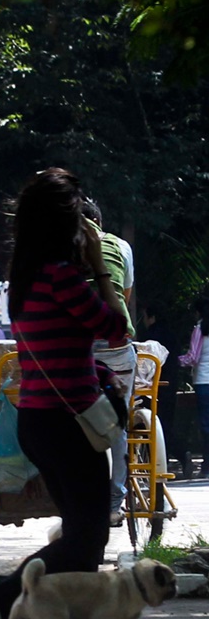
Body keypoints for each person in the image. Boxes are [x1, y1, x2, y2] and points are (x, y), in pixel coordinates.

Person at [0, 168, 132, 619]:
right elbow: (116, 329)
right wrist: (100, 269)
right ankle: (0, 591)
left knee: (81, 530)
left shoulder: (24, 279)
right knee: (89, 536)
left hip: (40, 419)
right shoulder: (62, 277)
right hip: (70, 423)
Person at [81, 197, 137, 525]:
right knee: (119, 425)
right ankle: (116, 498)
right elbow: (123, 298)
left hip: (80, 350)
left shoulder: (66, 252)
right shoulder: (122, 248)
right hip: (117, 349)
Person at [141, 303, 184, 477]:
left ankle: (158, 463)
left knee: (152, 424)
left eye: (145, 317)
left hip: (154, 385)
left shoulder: (151, 338)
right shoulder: (172, 335)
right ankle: (174, 457)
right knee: (166, 422)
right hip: (170, 384)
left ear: (152, 318)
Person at [178, 298, 209, 479]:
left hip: (204, 381)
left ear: (198, 313)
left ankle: (207, 466)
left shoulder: (199, 330)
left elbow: (192, 358)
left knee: (206, 425)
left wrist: (174, 360)